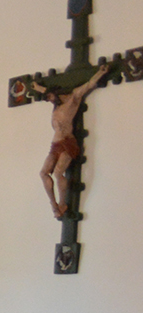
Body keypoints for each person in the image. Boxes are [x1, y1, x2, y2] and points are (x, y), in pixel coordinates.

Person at [35, 62, 110, 219]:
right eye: (47, 98)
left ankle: (63, 203)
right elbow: (45, 91)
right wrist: (36, 87)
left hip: (67, 142)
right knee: (43, 173)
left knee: (58, 173)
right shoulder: (55, 105)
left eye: (50, 97)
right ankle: (53, 204)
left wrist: (101, 72)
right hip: (55, 144)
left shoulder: (72, 99)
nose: (49, 100)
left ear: (56, 93)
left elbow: (88, 85)